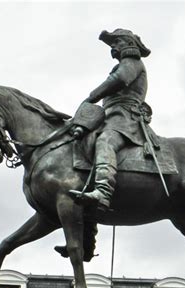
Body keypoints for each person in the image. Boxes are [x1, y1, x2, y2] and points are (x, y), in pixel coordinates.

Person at [70, 28, 151, 210]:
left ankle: (103, 191)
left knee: (106, 142)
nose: (113, 46)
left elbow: (120, 79)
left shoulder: (132, 62)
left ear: (129, 44)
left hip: (124, 117)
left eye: (117, 42)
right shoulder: (126, 62)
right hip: (109, 115)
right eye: (111, 43)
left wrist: (92, 97)